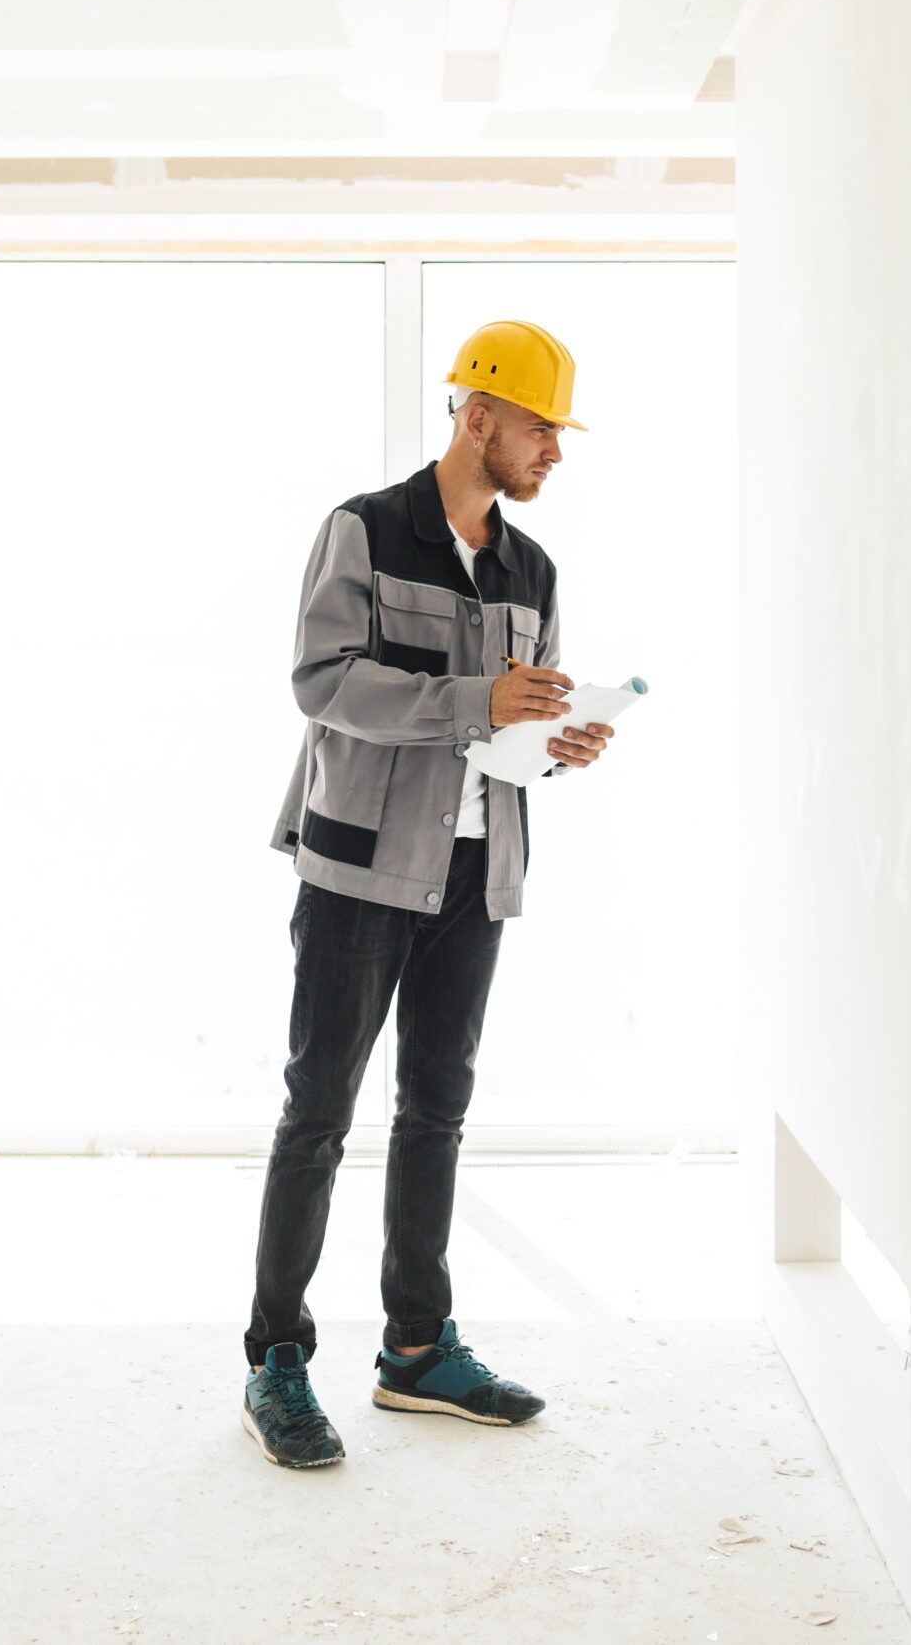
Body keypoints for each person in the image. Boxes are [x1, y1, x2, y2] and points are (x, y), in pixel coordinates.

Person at [241, 319, 617, 1469]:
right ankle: (278, 1363)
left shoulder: (532, 570)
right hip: (359, 865)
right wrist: (474, 702)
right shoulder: (364, 530)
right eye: (542, 431)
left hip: (473, 867)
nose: (554, 454)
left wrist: (560, 742)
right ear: (479, 418)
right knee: (319, 1116)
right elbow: (324, 682)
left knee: (435, 1113)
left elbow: (515, 721)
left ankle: (415, 1353)